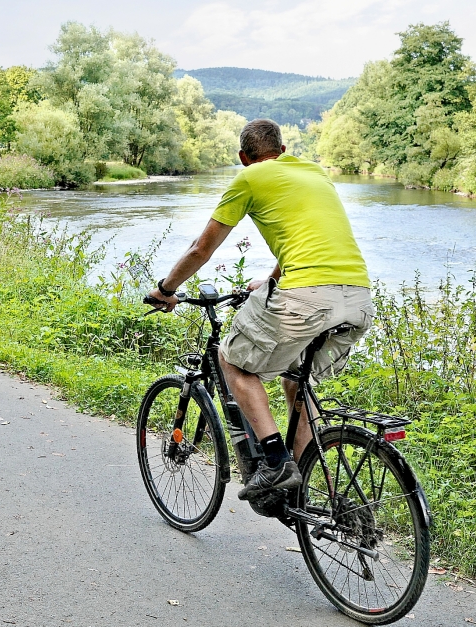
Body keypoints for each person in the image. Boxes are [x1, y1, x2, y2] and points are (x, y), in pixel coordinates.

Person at [147, 119, 373, 502]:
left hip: (308, 297)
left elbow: (202, 249)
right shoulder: (314, 171)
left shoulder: (249, 179)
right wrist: (270, 281)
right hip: (358, 298)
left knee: (231, 360)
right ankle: (325, 496)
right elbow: (305, 241)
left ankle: (275, 462)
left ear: (243, 157)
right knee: (294, 381)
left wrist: (167, 289)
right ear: (282, 151)